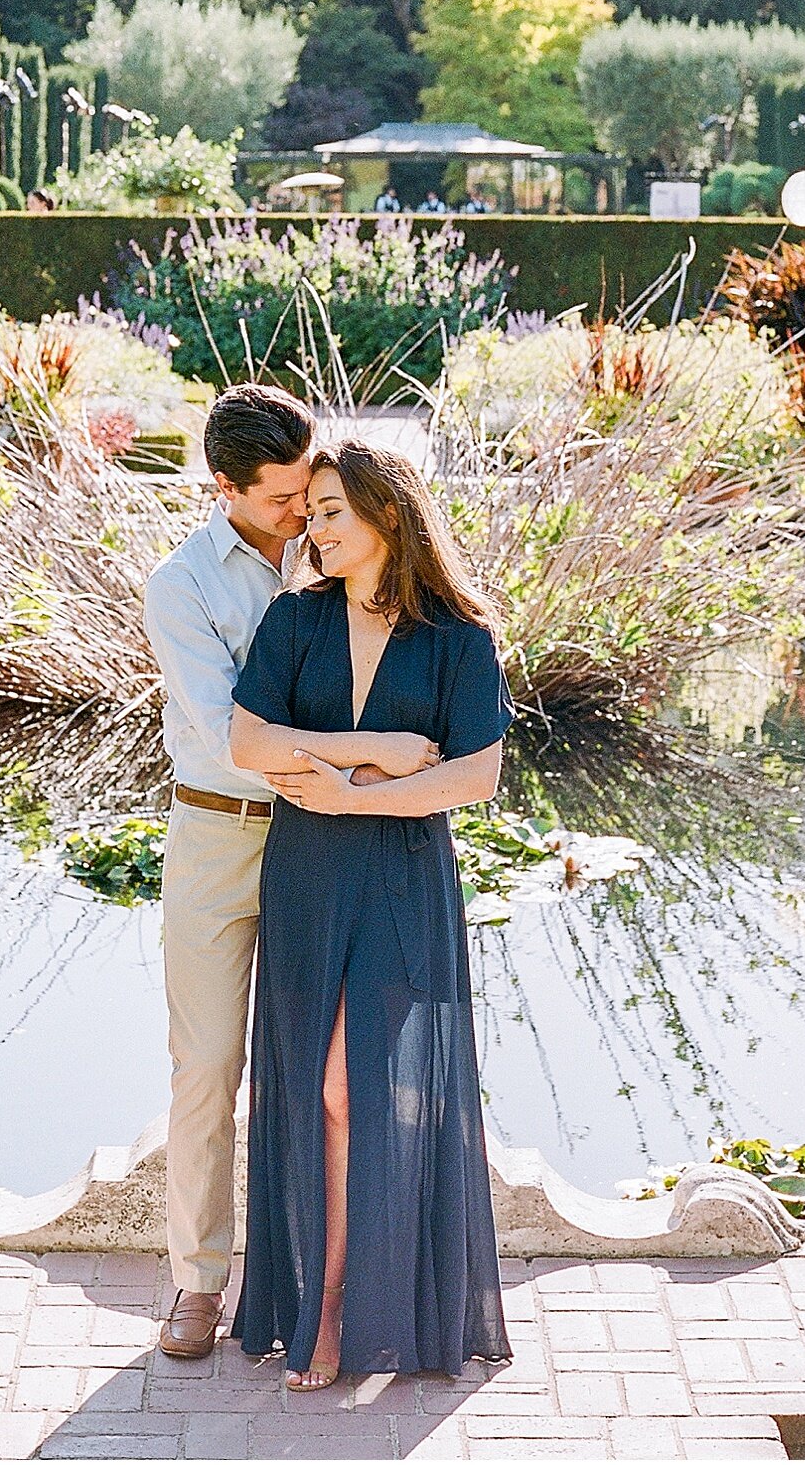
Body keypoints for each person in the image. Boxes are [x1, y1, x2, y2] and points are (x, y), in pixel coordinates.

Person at [228, 439, 512, 1388]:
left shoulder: (460, 637)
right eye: (310, 512)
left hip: (398, 874)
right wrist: (380, 747)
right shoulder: (294, 619)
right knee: (312, 1089)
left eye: (333, 509)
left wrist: (348, 791)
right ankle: (329, 1295)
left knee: (354, 1089)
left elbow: (473, 773)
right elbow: (246, 740)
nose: (316, 525)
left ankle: (345, 1302)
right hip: (305, 877)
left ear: (389, 513)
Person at [140, 384, 316, 1361]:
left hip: (318, 838)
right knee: (206, 1066)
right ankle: (197, 1284)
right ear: (226, 487)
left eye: (306, 488)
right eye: (283, 497)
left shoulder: (331, 542)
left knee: (316, 1066)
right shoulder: (181, 585)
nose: (301, 510)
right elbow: (226, 733)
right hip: (214, 836)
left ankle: (309, 1280)